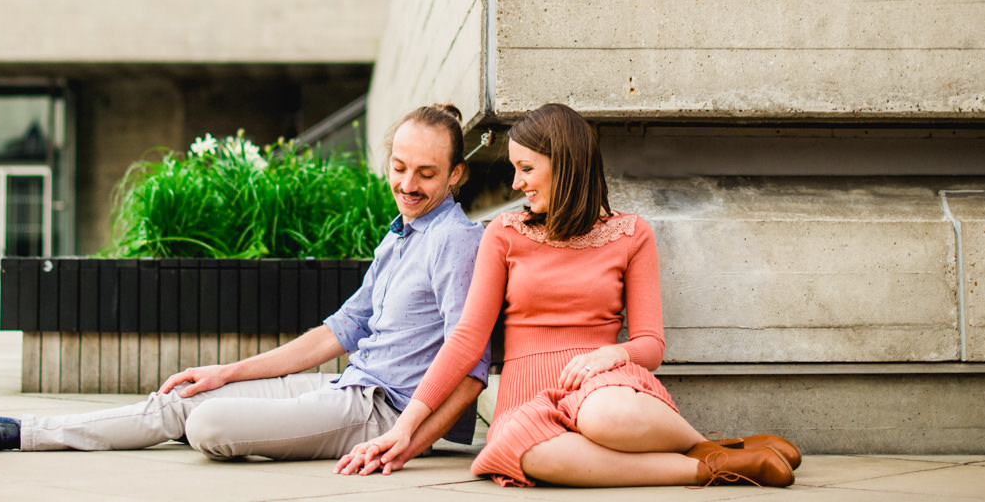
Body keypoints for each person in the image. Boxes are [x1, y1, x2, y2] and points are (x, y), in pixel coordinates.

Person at [0, 104, 493, 462]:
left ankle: (16, 431)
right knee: (186, 397)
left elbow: (470, 372)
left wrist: (406, 445)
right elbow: (333, 335)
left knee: (209, 424)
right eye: (399, 167)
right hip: (344, 389)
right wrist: (228, 370)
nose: (407, 184)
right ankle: (10, 432)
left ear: (456, 174)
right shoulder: (399, 237)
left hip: (381, 412)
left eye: (425, 173)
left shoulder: (455, 241)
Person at [336, 103, 801, 489]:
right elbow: (465, 339)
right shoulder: (504, 233)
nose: (516, 184)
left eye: (526, 169)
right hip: (528, 390)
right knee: (522, 449)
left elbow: (651, 345)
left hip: (604, 383)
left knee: (605, 416)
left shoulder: (631, 234)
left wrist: (610, 355)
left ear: (566, 164)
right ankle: (714, 463)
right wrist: (405, 427)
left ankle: (705, 446)